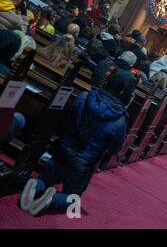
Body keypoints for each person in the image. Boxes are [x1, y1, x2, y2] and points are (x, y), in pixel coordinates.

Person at [19, 74, 128, 216]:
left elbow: (66, 118)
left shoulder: (84, 97)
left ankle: (35, 187)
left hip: (62, 149)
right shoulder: (120, 118)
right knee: (73, 198)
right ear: (122, 92)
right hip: (83, 163)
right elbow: (115, 148)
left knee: (44, 179)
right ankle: (51, 200)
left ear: (107, 82)